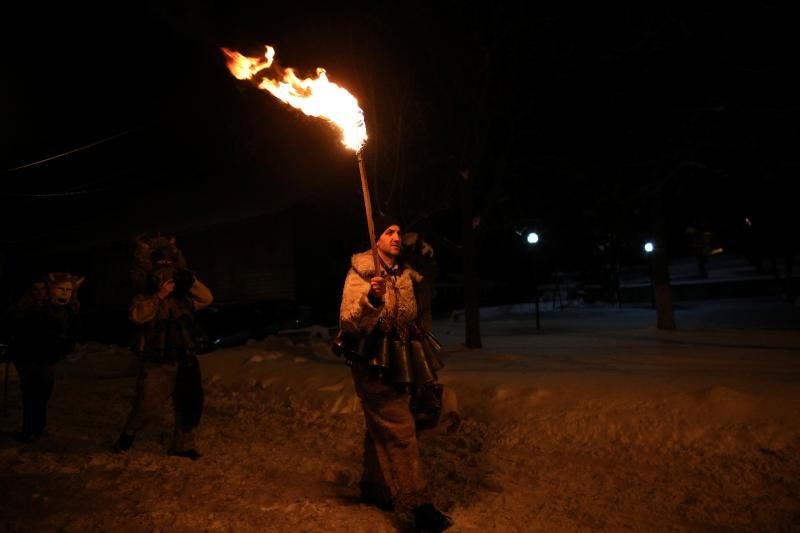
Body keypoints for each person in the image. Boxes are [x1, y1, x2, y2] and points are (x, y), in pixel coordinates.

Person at [337, 215, 453, 531]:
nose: (396, 237)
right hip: (373, 363)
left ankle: (375, 488)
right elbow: (349, 321)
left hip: (403, 361)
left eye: (399, 232)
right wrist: (372, 299)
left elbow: (412, 315)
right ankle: (418, 505)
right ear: (376, 238)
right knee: (400, 428)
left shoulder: (404, 274)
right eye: (389, 232)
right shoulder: (361, 272)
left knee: (384, 426)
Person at [114, 235, 212, 459]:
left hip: (185, 357)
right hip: (158, 360)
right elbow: (138, 317)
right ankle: (128, 435)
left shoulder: (184, 299)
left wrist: (191, 280)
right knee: (147, 403)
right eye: (161, 263)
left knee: (190, 402)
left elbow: (207, 298)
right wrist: (159, 296)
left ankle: (183, 444)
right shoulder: (145, 297)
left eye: (170, 262)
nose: (166, 267)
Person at [9, 273, 84, 442]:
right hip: (28, 356)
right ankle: (29, 430)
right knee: (31, 392)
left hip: (47, 356)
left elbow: (64, 329)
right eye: (36, 290)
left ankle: (38, 427)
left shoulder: (52, 307)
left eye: (43, 289)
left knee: (43, 392)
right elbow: (21, 328)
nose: (40, 293)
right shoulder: (25, 308)